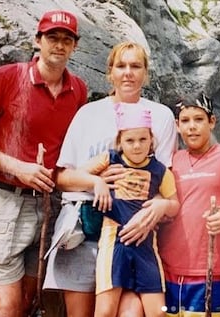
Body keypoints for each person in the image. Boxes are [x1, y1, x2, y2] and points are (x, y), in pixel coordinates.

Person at [42, 41, 178, 317]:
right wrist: (96, 181)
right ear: (110, 73)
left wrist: (159, 208)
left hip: (131, 232)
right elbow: (62, 177)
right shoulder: (88, 114)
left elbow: (163, 180)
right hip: (84, 228)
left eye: (135, 66)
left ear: (146, 73)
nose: (128, 73)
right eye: (121, 66)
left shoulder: (161, 116)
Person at [0, 9, 87, 317]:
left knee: (28, 301)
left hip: (51, 206)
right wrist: (17, 166)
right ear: (38, 40)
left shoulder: (79, 90)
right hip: (6, 200)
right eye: (52, 37)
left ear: (74, 46)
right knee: (4, 306)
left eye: (66, 39)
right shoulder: (7, 77)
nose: (59, 45)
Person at [157, 93, 220, 316]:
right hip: (166, 271)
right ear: (176, 125)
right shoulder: (170, 160)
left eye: (199, 119)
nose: (192, 127)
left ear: (212, 122)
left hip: (210, 272)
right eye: (185, 121)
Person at [82, 104, 179, 317]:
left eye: (143, 140)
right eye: (130, 140)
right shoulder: (110, 159)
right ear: (119, 142)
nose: (137, 146)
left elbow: (175, 205)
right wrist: (97, 181)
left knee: (158, 312)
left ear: (151, 140)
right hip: (114, 243)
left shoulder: (160, 171)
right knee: (105, 310)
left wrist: (162, 205)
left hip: (145, 246)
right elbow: (77, 175)